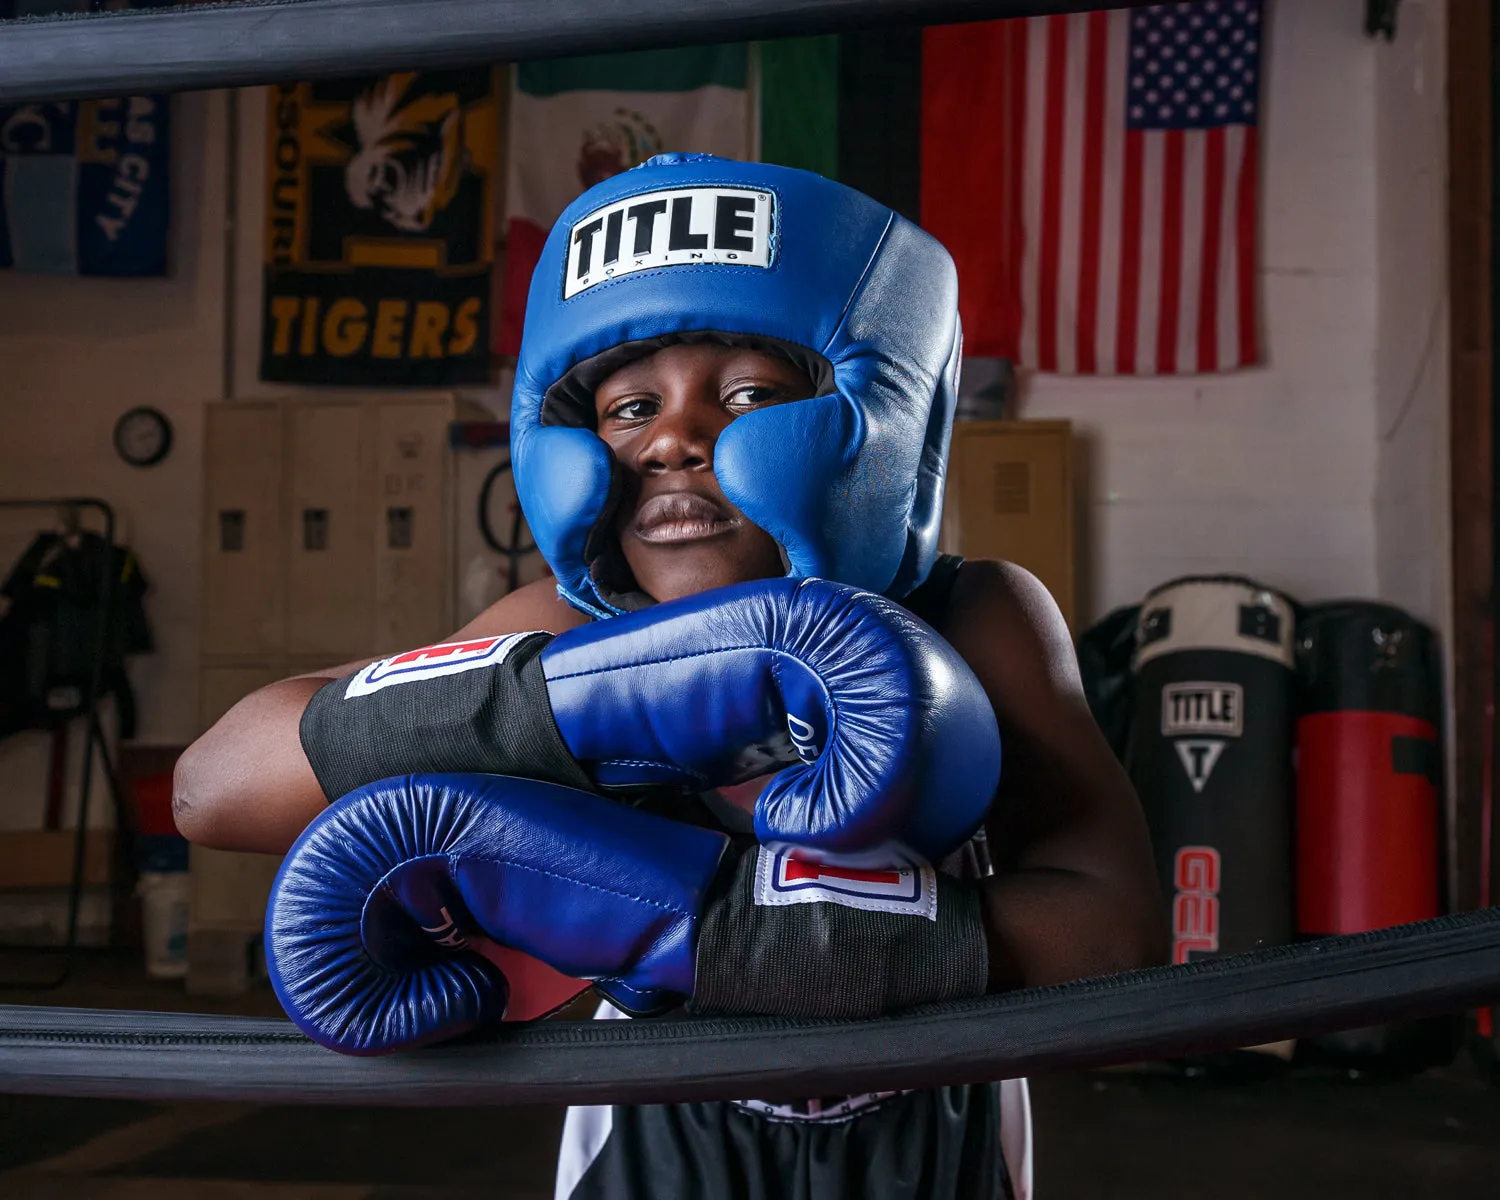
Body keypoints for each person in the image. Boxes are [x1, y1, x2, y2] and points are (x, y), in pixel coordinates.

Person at [174, 154, 1165, 1200]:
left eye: (749, 395)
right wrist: (576, 700)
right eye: (629, 406)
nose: (676, 439)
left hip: (928, 1122)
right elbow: (216, 782)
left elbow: (1115, 939)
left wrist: (703, 926)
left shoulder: (969, 615)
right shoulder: (557, 630)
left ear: (878, 426)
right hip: (654, 1120)